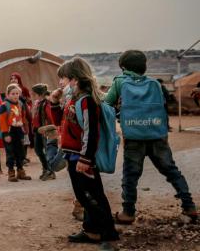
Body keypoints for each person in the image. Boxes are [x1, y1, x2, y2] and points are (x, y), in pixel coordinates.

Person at [104, 50, 197, 224]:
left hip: (133, 136)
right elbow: (160, 108)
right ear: (144, 66)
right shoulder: (154, 83)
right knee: (171, 170)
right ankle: (189, 206)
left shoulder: (120, 82)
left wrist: (119, 111)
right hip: (157, 134)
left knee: (130, 175)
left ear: (122, 67)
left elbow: (107, 104)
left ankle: (128, 212)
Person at [58, 57, 119, 244]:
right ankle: (92, 230)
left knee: (91, 196)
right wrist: (54, 102)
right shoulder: (75, 99)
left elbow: (91, 132)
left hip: (82, 157)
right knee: (83, 195)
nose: (60, 82)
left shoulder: (86, 101)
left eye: (63, 78)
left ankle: (107, 233)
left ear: (75, 80)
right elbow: (66, 122)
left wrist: (85, 159)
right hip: (73, 154)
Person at [0, 84, 31, 182]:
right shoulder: (4, 106)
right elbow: (2, 121)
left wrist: (25, 129)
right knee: (10, 152)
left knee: (20, 152)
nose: (15, 95)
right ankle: (11, 172)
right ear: (7, 95)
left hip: (19, 130)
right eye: (13, 94)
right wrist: (6, 134)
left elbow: (23, 117)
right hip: (8, 131)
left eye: (17, 93)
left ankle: (21, 171)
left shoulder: (20, 104)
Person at [31, 84, 54, 180]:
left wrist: (49, 129)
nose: (32, 94)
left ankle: (50, 171)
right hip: (37, 131)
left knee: (47, 151)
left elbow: (50, 117)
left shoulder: (46, 103)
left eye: (33, 93)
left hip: (45, 131)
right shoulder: (37, 103)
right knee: (38, 150)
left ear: (38, 94)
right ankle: (46, 168)